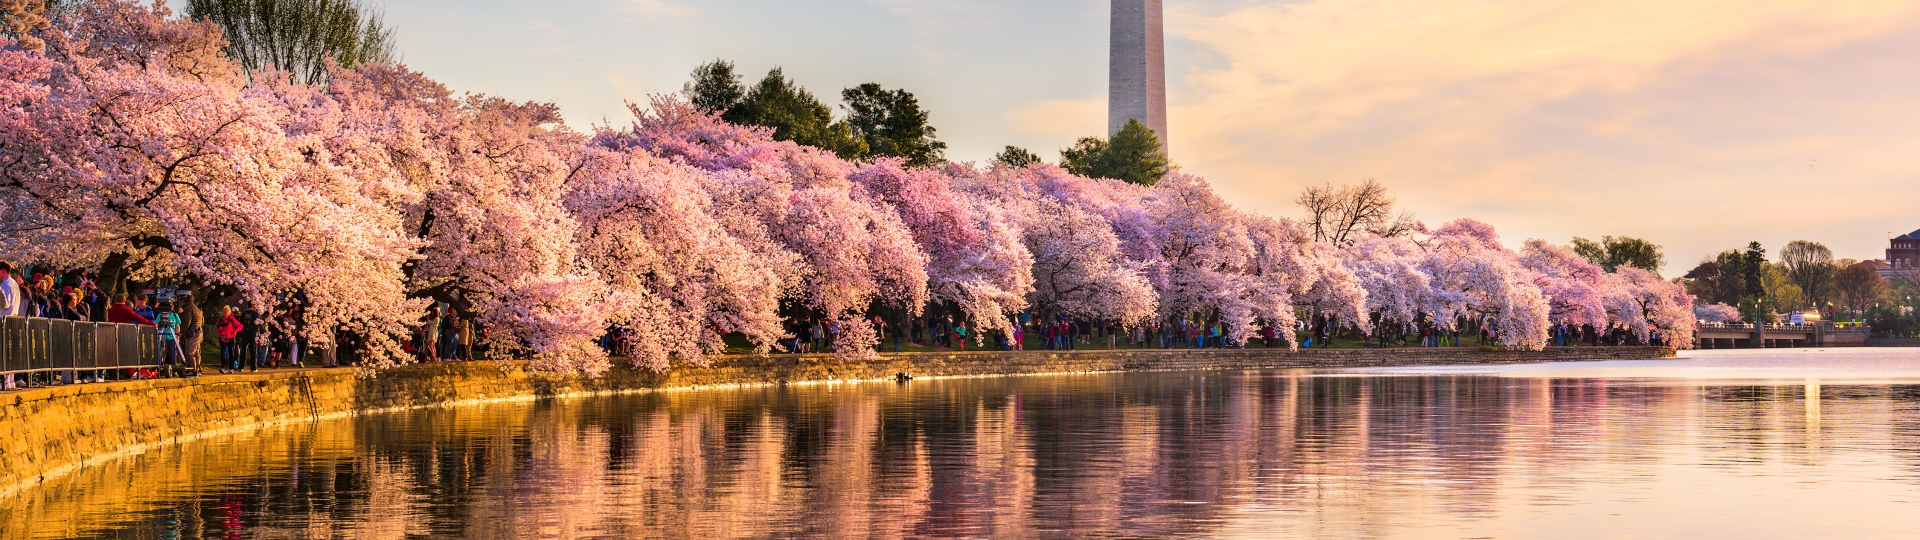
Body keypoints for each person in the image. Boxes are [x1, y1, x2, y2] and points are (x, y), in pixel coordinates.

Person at [155, 302, 184, 378]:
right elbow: (157, 324)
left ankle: (173, 368)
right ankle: (160, 368)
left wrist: (177, 335)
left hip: (172, 337)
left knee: (172, 353)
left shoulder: (175, 315)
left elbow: (177, 325)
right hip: (163, 337)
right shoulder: (160, 315)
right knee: (162, 353)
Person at [217, 306, 243, 374]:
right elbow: (217, 329)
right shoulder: (220, 320)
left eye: (226, 312)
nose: (225, 313)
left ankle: (231, 368)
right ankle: (223, 367)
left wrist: (235, 331)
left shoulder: (232, 319)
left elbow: (240, 326)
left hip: (231, 337)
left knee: (232, 352)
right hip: (223, 337)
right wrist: (220, 331)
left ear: (229, 312)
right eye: (224, 312)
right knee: (223, 353)